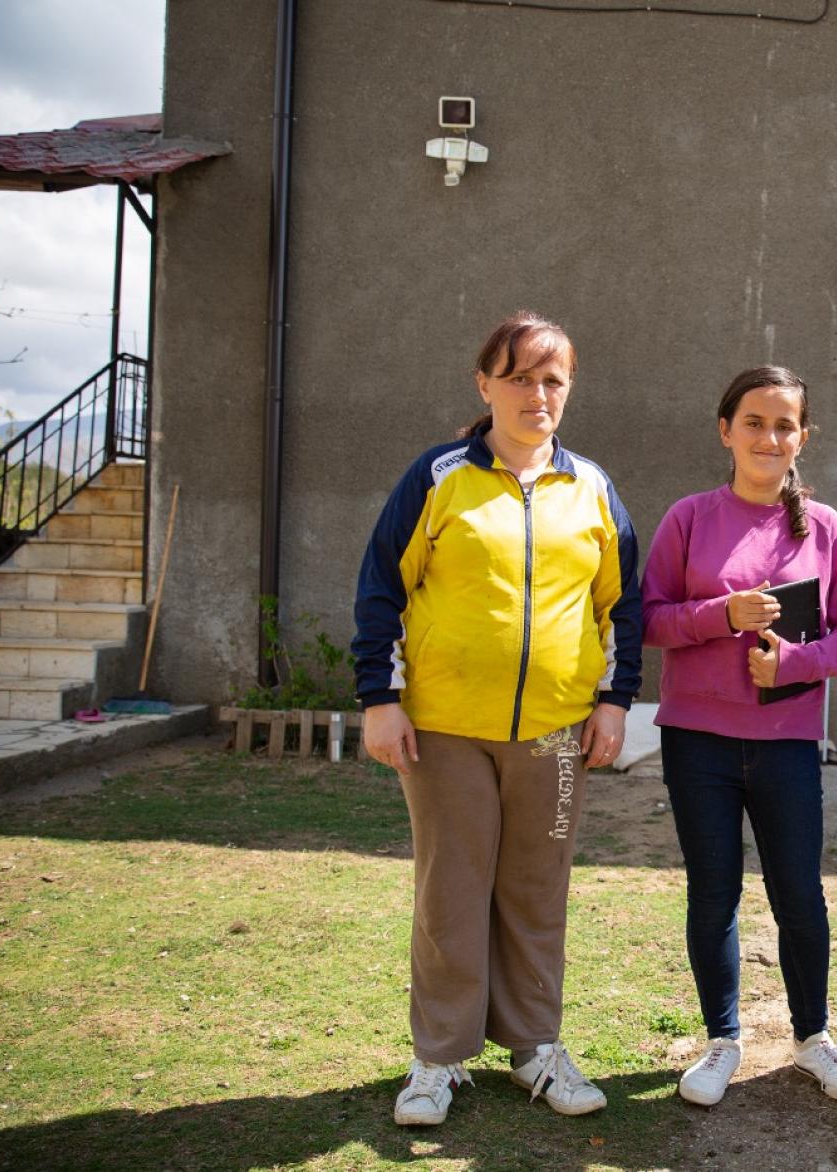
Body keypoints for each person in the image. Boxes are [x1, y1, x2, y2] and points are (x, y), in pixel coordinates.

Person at [352, 310, 641, 1126]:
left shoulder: (592, 488)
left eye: (553, 379)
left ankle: (535, 1048)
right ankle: (439, 1059)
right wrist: (380, 700)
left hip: (554, 736)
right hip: (444, 731)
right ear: (485, 385)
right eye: (519, 377)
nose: (536, 394)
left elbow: (623, 607)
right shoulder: (438, 477)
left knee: (536, 889)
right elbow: (381, 588)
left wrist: (614, 702)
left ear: (569, 389)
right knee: (452, 891)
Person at [641, 366, 837, 1107]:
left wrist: (795, 663)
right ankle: (723, 1040)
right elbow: (648, 619)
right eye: (754, 422)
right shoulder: (688, 518)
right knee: (714, 893)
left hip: (786, 743)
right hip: (698, 742)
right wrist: (721, 615)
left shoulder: (825, 528)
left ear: (802, 437)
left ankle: (812, 1038)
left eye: (784, 425)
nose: (769, 437)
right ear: (726, 431)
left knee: (799, 892)